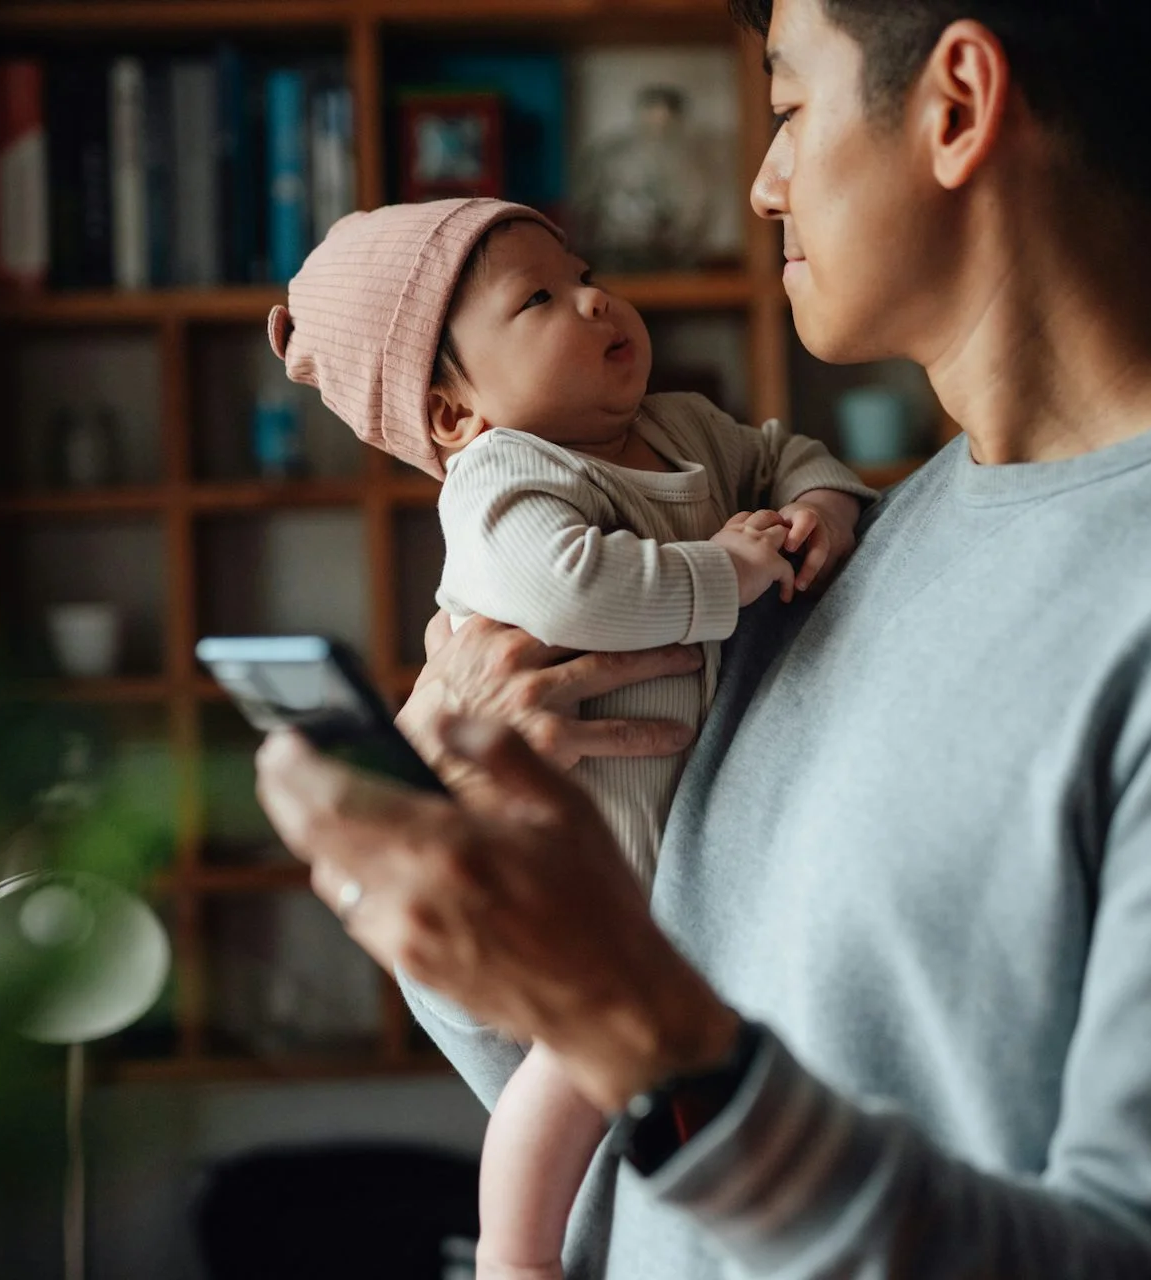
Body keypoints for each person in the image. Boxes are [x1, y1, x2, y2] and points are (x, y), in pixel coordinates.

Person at [254, 0, 1151, 1274]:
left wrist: (658, 1036)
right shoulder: (838, 554)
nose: (762, 182)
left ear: (955, 104)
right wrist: (464, 881)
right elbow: (637, 1126)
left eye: (787, 106)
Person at [264, 196, 875, 1279]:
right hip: (576, 865)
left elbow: (783, 453)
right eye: (537, 298)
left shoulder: (686, 427)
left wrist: (822, 501)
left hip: (679, 866)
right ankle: (516, 1253)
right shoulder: (502, 482)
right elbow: (578, 589)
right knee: (568, 1070)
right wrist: (728, 573)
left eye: (583, 270)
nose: (593, 296)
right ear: (454, 416)